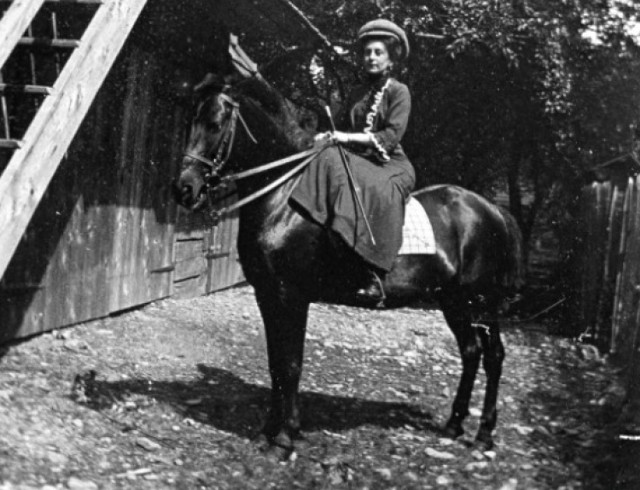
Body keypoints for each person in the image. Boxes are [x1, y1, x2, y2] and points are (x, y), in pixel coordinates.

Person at [290, 19, 416, 303]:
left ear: (391, 58)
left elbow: (390, 136)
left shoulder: (399, 92)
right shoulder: (358, 93)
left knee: (376, 189)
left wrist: (344, 139)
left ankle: (373, 272)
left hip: (391, 166)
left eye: (378, 52)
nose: (371, 57)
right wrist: (327, 136)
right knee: (326, 158)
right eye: (367, 52)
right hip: (360, 161)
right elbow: (342, 128)